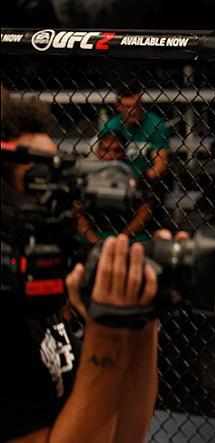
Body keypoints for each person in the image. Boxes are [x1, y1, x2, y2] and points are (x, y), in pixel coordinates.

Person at [0, 97, 170, 443]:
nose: (58, 198)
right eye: (39, 181)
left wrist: (140, 321)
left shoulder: (34, 294)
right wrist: (105, 332)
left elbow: (126, 433)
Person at [75, 130, 153, 244]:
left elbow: (146, 209)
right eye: (106, 150)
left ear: (124, 152)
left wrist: (123, 237)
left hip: (127, 234)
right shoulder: (86, 173)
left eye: (117, 150)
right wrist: (92, 238)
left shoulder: (135, 174)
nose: (111, 156)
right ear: (97, 151)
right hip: (92, 232)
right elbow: (76, 209)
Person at [101, 82, 169, 183]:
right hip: (116, 180)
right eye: (127, 107)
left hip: (147, 182)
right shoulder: (111, 127)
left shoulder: (156, 125)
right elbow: (102, 160)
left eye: (136, 106)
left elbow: (160, 165)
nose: (133, 111)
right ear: (118, 107)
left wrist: (140, 182)